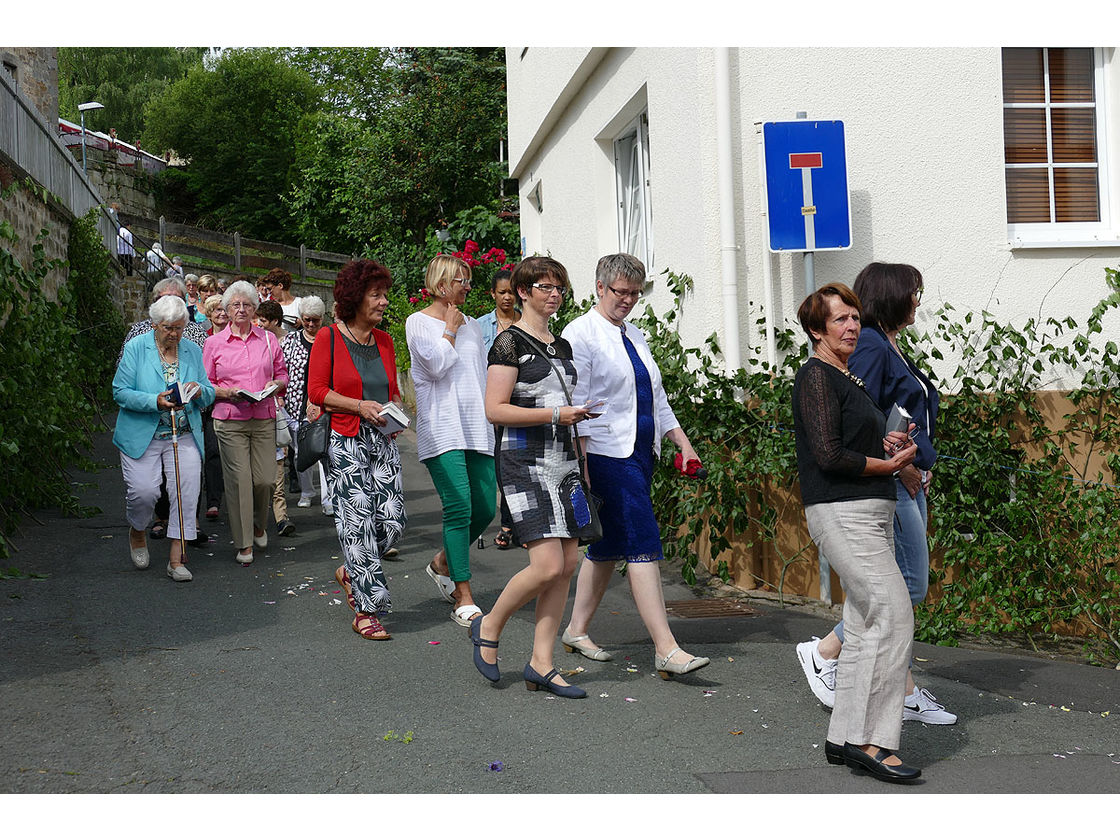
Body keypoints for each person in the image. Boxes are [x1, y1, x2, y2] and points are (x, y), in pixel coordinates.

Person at [795, 263, 954, 725]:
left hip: (901, 476)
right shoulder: (862, 348)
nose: (918, 302)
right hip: (884, 484)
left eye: (853, 317)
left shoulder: (884, 342)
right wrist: (895, 467)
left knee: (899, 591)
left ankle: (892, 693)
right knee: (901, 589)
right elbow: (858, 415)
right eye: (913, 292)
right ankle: (830, 655)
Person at [792, 281, 922, 783]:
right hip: (843, 512)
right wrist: (884, 465)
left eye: (855, 318)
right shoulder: (816, 377)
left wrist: (888, 444)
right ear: (816, 329)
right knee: (893, 616)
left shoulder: (846, 378)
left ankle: (846, 738)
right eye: (839, 319)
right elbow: (828, 455)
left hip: (867, 511)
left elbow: (849, 440)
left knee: (868, 625)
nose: (851, 326)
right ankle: (876, 742)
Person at [561, 253, 711, 679]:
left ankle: (576, 629)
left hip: (640, 451)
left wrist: (682, 444)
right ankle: (665, 647)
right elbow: (580, 405)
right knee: (643, 538)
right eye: (620, 292)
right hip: (607, 454)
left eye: (634, 293)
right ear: (599, 288)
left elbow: (656, 399)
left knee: (607, 545)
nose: (627, 300)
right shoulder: (581, 334)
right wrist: (584, 467)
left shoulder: (635, 334)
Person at [469, 256, 592, 699]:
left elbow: (567, 406)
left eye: (559, 287)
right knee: (547, 565)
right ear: (523, 291)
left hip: (564, 461)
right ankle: (490, 624)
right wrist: (556, 413)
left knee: (568, 566)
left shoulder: (563, 346)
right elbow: (495, 409)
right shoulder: (507, 343)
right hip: (523, 462)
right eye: (545, 286)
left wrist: (580, 453)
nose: (554, 294)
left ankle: (542, 663)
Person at [307, 259, 407, 641]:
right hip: (345, 438)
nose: (383, 302)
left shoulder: (383, 340)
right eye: (375, 295)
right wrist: (357, 405)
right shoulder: (329, 337)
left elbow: (391, 389)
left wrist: (394, 412)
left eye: (385, 295)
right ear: (355, 298)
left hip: (382, 439)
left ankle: (352, 569)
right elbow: (316, 391)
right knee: (359, 523)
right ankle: (367, 611)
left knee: (393, 522)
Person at [406, 255, 495, 627]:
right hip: (443, 429)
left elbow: (480, 375)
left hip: (477, 427)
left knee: (487, 508)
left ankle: (443, 560)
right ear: (443, 285)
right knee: (459, 507)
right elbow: (434, 367)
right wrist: (450, 330)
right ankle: (464, 593)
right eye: (463, 280)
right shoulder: (417, 322)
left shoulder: (474, 325)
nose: (469, 287)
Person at [113, 295, 215, 582]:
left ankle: (177, 557)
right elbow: (119, 392)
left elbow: (208, 390)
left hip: (183, 434)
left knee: (187, 492)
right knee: (144, 493)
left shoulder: (192, 350)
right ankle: (137, 530)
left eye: (180, 328)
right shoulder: (136, 348)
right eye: (169, 328)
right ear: (155, 325)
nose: (175, 334)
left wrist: (199, 391)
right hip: (142, 434)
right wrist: (155, 401)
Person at [203, 280, 290, 565]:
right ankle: (243, 544)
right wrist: (228, 393)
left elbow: (282, 375)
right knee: (239, 482)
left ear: (254, 308)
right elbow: (206, 385)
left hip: (263, 416)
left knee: (264, 479)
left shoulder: (268, 339)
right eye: (235, 305)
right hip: (229, 420)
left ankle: (258, 524)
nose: (241, 309)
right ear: (226, 310)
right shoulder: (213, 343)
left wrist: (275, 384)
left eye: (247, 304)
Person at [477, 267, 521, 550]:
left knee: (516, 467)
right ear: (492, 294)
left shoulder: (525, 323)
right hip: (491, 406)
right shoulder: (480, 327)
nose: (507, 298)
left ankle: (514, 525)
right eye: (501, 292)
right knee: (498, 467)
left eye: (511, 292)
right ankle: (506, 523)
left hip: (520, 405)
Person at [280, 296, 329, 511]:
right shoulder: (290, 342)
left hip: (326, 405)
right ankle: (307, 491)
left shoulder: (330, 339)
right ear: (301, 318)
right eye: (307, 319)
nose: (311, 324)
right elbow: (281, 371)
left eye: (316, 320)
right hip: (296, 404)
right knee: (302, 453)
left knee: (327, 454)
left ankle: (329, 500)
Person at [256, 300, 296, 537]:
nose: (260, 324)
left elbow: (283, 375)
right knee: (260, 479)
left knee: (278, 468)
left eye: (263, 319)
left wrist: (279, 391)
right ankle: (258, 519)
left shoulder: (274, 345)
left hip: (273, 411)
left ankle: (282, 518)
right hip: (251, 417)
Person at [266, 268, 303, 333]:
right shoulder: (270, 305)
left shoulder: (300, 303)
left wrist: (302, 323)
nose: (269, 292)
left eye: (270, 289)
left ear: (280, 286)